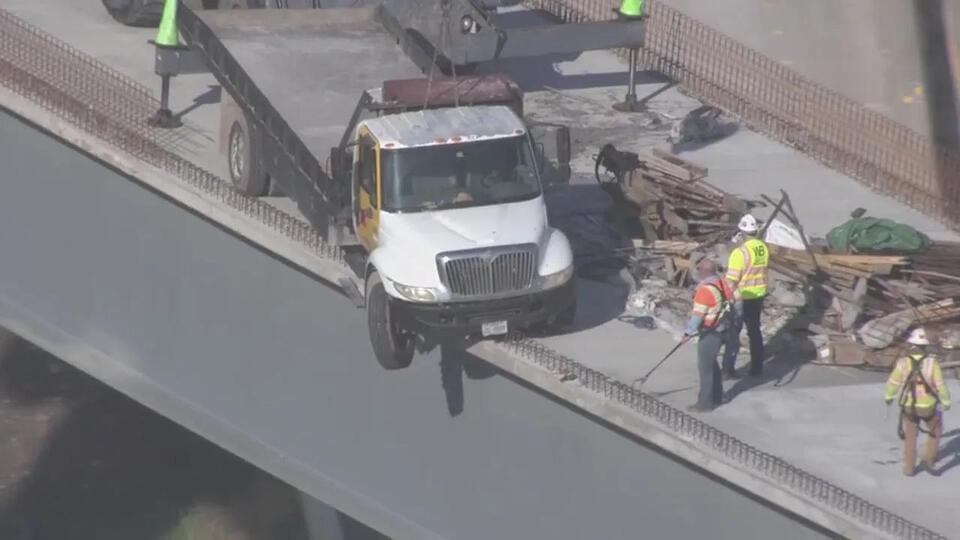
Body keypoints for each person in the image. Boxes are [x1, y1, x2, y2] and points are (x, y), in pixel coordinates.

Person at [884, 327, 952, 476]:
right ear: (924, 346)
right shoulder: (931, 363)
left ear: (912, 345)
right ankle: (928, 460)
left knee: (910, 437)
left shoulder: (903, 363)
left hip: (909, 406)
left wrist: (889, 397)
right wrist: (946, 402)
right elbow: (940, 385)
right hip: (928, 406)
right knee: (936, 430)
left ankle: (909, 468)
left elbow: (893, 382)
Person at [683, 258, 735, 413]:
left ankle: (704, 404)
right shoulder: (722, 283)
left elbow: (697, 315)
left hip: (710, 332)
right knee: (712, 364)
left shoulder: (705, 290)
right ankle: (718, 396)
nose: (697, 271)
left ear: (705, 272)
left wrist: (687, 333)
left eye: (699, 269)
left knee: (705, 368)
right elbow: (731, 301)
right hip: (723, 329)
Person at [723, 214, 769, 378]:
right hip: (758, 295)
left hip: (741, 297)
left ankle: (728, 370)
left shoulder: (740, 253)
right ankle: (757, 368)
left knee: (733, 333)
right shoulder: (762, 247)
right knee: (754, 331)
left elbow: (731, 280)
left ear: (742, 232)